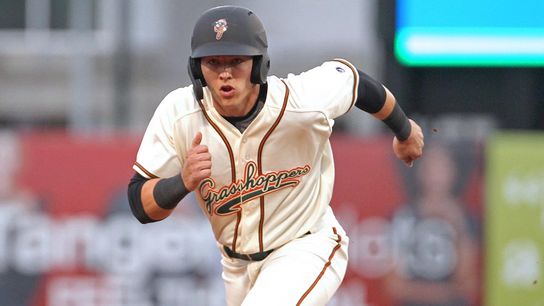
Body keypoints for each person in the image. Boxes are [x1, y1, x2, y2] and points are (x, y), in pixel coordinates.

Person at [127, 5, 424, 306]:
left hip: (306, 245)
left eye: (237, 60)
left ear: (259, 65)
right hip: (235, 266)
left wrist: (404, 130)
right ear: (196, 69)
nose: (225, 73)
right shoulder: (179, 112)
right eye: (213, 62)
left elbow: (355, 82)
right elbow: (141, 204)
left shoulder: (301, 100)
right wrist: (182, 182)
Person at [384, 142, 478, 306]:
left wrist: (457, 226)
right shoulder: (403, 217)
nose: (436, 176)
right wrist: (444, 293)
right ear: (420, 172)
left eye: (442, 169)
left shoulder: (466, 219)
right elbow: (394, 285)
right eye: (431, 168)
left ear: (453, 173)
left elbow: (468, 283)